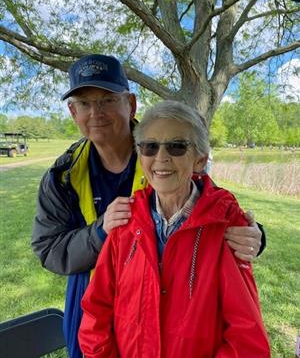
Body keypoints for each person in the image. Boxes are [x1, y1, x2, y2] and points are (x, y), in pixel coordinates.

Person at [31, 54, 266, 358]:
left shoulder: (165, 138)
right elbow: (48, 250)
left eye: (106, 100)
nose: (96, 113)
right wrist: (101, 232)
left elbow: (210, 210)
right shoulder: (61, 176)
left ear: (131, 104)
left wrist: (254, 235)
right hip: (92, 305)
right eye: (85, 103)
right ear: (72, 111)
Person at [78, 100, 270, 357]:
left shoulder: (224, 227)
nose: (161, 157)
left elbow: (246, 338)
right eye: (150, 146)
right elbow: (96, 312)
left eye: (177, 146)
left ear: (199, 161)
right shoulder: (126, 222)